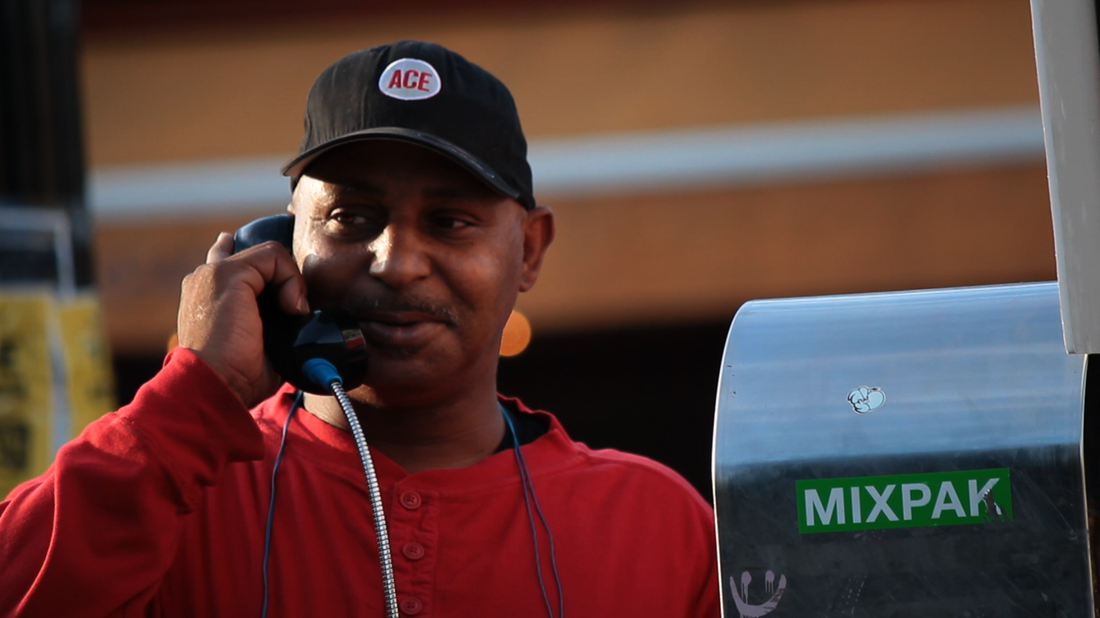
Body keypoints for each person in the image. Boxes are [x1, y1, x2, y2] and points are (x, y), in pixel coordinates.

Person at [0, 40, 720, 617]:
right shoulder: (174, 495)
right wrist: (195, 392)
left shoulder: (659, 524)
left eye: (449, 221)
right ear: (284, 240)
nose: (398, 263)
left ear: (529, 250)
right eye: (350, 218)